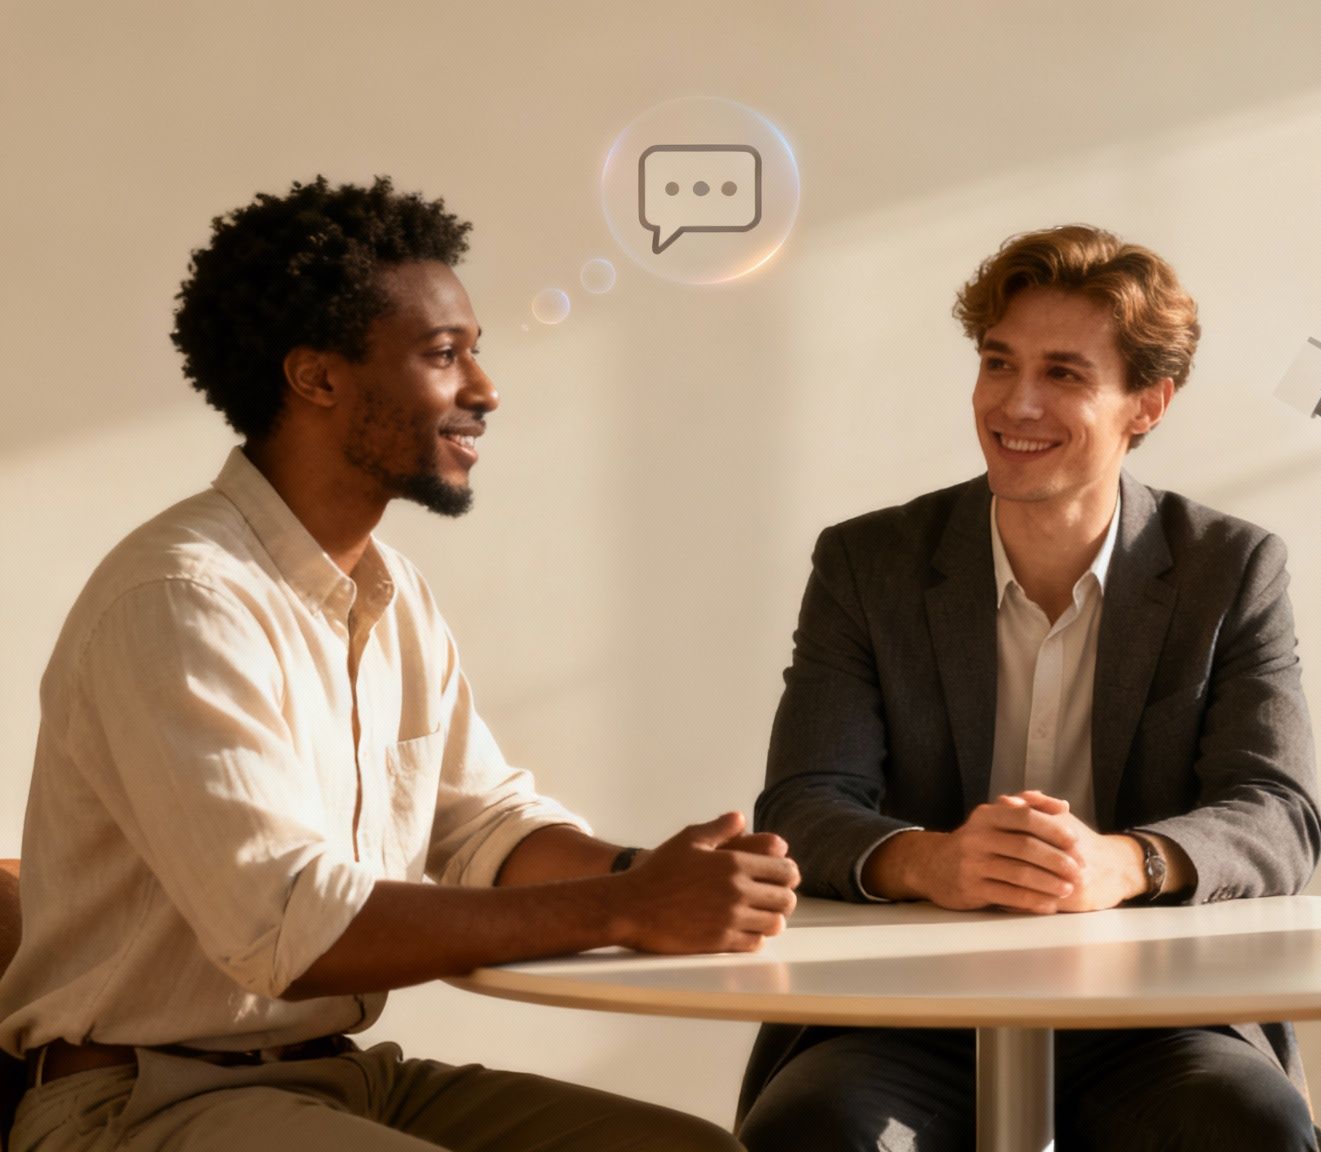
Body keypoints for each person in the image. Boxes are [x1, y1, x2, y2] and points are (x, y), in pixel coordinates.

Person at [0, 176, 801, 1152]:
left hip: (337, 1075)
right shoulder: (179, 598)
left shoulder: (389, 592)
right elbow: (289, 929)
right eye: (443, 354)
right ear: (317, 378)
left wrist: (665, 876)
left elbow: (484, 828)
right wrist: (629, 907)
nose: (485, 390)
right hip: (137, 1103)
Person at [735, 224, 1321, 1151]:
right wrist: (932, 862)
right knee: (814, 1129)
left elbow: (1278, 812)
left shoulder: (1231, 568)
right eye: (998, 363)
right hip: (904, 1013)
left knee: (1248, 1127)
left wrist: (1125, 864)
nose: (1016, 403)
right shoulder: (868, 562)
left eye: (1064, 373)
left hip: (1158, 1017)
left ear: (1149, 403)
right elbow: (802, 805)